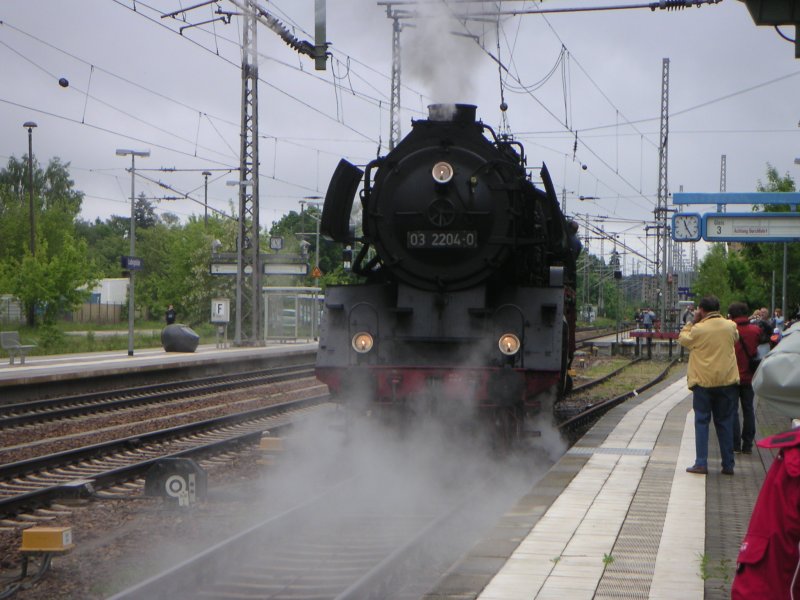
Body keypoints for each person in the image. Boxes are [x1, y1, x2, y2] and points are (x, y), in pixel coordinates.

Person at [678, 295, 740, 475]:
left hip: (703, 382)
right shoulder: (730, 326)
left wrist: (692, 322)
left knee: (702, 421)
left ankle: (701, 463)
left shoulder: (698, 329)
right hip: (727, 381)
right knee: (725, 422)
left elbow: (683, 339)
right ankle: (728, 464)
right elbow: (735, 338)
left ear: (702, 310)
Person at [728, 302, 760, 455]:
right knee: (748, 410)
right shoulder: (755, 330)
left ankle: (735, 445)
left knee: (733, 411)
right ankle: (747, 444)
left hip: (732, 377)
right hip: (749, 377)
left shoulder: (729, 331)